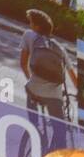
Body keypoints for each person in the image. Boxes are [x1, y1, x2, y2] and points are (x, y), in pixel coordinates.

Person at [19, 9, 69, 146]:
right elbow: (71, 75)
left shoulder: (29, 35)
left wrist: (32, 79)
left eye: (31, 23)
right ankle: (54, 156)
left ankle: (35, 129)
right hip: (54, 96)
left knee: (31, 91)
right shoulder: (60, 48)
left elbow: (23, 64)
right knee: (60, 130)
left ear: (36, 27)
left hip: (34, 89)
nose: (29, 26)